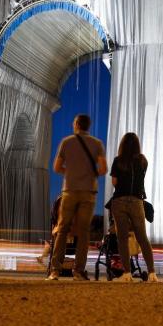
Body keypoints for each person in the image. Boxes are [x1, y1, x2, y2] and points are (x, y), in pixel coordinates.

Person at [46, 113, 107, 281]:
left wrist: (71, 172)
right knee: (83, 232)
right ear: (88, 126)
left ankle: (55, 270)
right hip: (88, 192)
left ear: (76, 125)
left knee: (63, 229)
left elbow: (57, 167)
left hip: (70, 190)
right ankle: (78, 272)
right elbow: (103, 169)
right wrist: (89, 173)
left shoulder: (66, 142)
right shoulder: (97, 144)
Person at [108, 131, 157, 282]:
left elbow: (114, 183)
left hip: (120, 201)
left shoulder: (118, 160)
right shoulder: (143, 161)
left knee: (122, 238)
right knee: (142, 237)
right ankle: (152, 273)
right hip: (137, 201)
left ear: (122, 145)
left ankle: (127, 273)